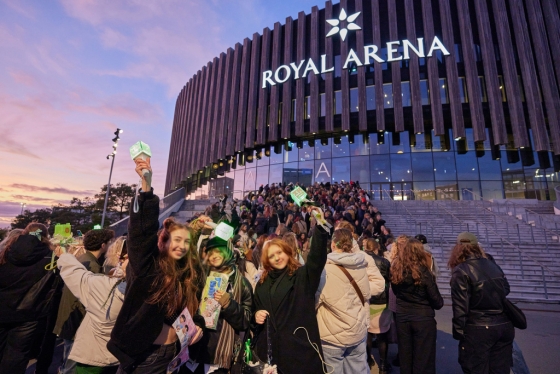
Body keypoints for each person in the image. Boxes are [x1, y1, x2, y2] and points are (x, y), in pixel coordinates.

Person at [107, 157, 204, 373]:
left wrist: (197, 327)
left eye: (187, 242)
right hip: (146, 357)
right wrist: (146, 189)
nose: (182, 246)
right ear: (165, 241)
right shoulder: (148, 265)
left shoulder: (185, 273)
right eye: (177, 240)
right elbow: (141, 234)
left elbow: (188, 310)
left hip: (173, 355)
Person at [253, 207, 329, 374]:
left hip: (299, 353)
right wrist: (256, 315)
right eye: (271, 256)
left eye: (279, 252)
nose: (277, 258)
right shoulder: (262, 283)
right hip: (270, 354)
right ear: (267, 261)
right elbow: (255, 309)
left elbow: (317, 258)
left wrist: (320, 224)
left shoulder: (302, 276)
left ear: (287, 252)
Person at [55, 238, 129, 373]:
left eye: (126, 257)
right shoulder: (150, 287)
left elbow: (78, 276)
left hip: (94, 356)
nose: (121, 257)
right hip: (120, 355)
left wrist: (64, 255)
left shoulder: (104, 286)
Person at [449, 232, 514, 374]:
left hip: (478, 326)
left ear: (458, 248)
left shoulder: (461, 270)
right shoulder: (491, 263)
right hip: (503, 324)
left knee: (476, 368)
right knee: (500, 370)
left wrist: (459, 332)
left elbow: (460, 306)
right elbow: (506, 289)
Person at [186, 236, 253, 373]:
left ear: (228, 251)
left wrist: (228, 304)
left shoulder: (242, 283)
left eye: (219, 251)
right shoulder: (202, 276)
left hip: (219, 353)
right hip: (195, 346)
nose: (214, 256)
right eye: (210, 253)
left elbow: (245, 321)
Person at [0, 224, 60, 374]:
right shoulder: (51, 256)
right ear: (46, 236)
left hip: (2, 308)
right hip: (29, 311)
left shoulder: (6, 250)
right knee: (18, 353)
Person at [315, 228, 371, 374]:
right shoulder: (360, 265)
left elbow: (316, 300)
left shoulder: (325, 269)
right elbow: (366, 293)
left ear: (333, 244)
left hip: (332, 335)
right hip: (357, 331)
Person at [391, 238, 443, 374]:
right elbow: (438, 302)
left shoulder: (397, 270)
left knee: (405, 357)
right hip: (422, 318)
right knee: (424, 360)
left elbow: (396, 292)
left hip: (403, 317)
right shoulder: (424, 273)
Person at [363, 238, 392, 373]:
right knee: (382, 334)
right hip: (382, 301)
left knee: (367, 334)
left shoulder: (360, 260)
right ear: (376, 248)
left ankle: (368, 360)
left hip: (367, 300)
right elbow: (389, 280)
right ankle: (383, 365)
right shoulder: (384, 262)